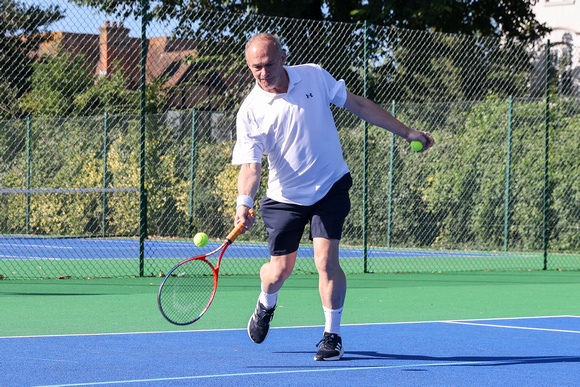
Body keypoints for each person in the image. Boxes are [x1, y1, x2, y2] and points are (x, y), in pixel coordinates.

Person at [232, 33, 434, 361]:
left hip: (330, 185)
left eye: (269, 64)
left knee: (326, 260)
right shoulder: (251, 111)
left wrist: (406, 132)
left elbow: (358, 104)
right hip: (284, 197)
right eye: (256, 67)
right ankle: (266, 303)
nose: (263, 73)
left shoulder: (313, 75)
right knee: (278, 271)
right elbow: (251, 167)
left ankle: (332, 335)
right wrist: (244, 202)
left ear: (283, 57)